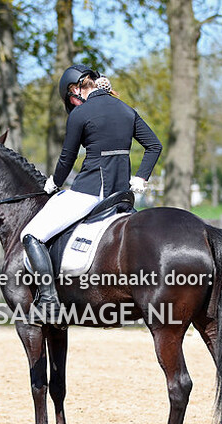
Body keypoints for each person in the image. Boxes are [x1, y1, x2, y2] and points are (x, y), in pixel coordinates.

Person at [20, 64, 163, 325]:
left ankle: (49, 302)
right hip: (121, 195)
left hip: (89, 192)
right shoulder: (127, 110)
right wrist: (141, 176)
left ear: (75, 89)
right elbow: (154, 145)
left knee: (31, 234)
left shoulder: (80, 113)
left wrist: (54, 183)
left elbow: (67, 158)